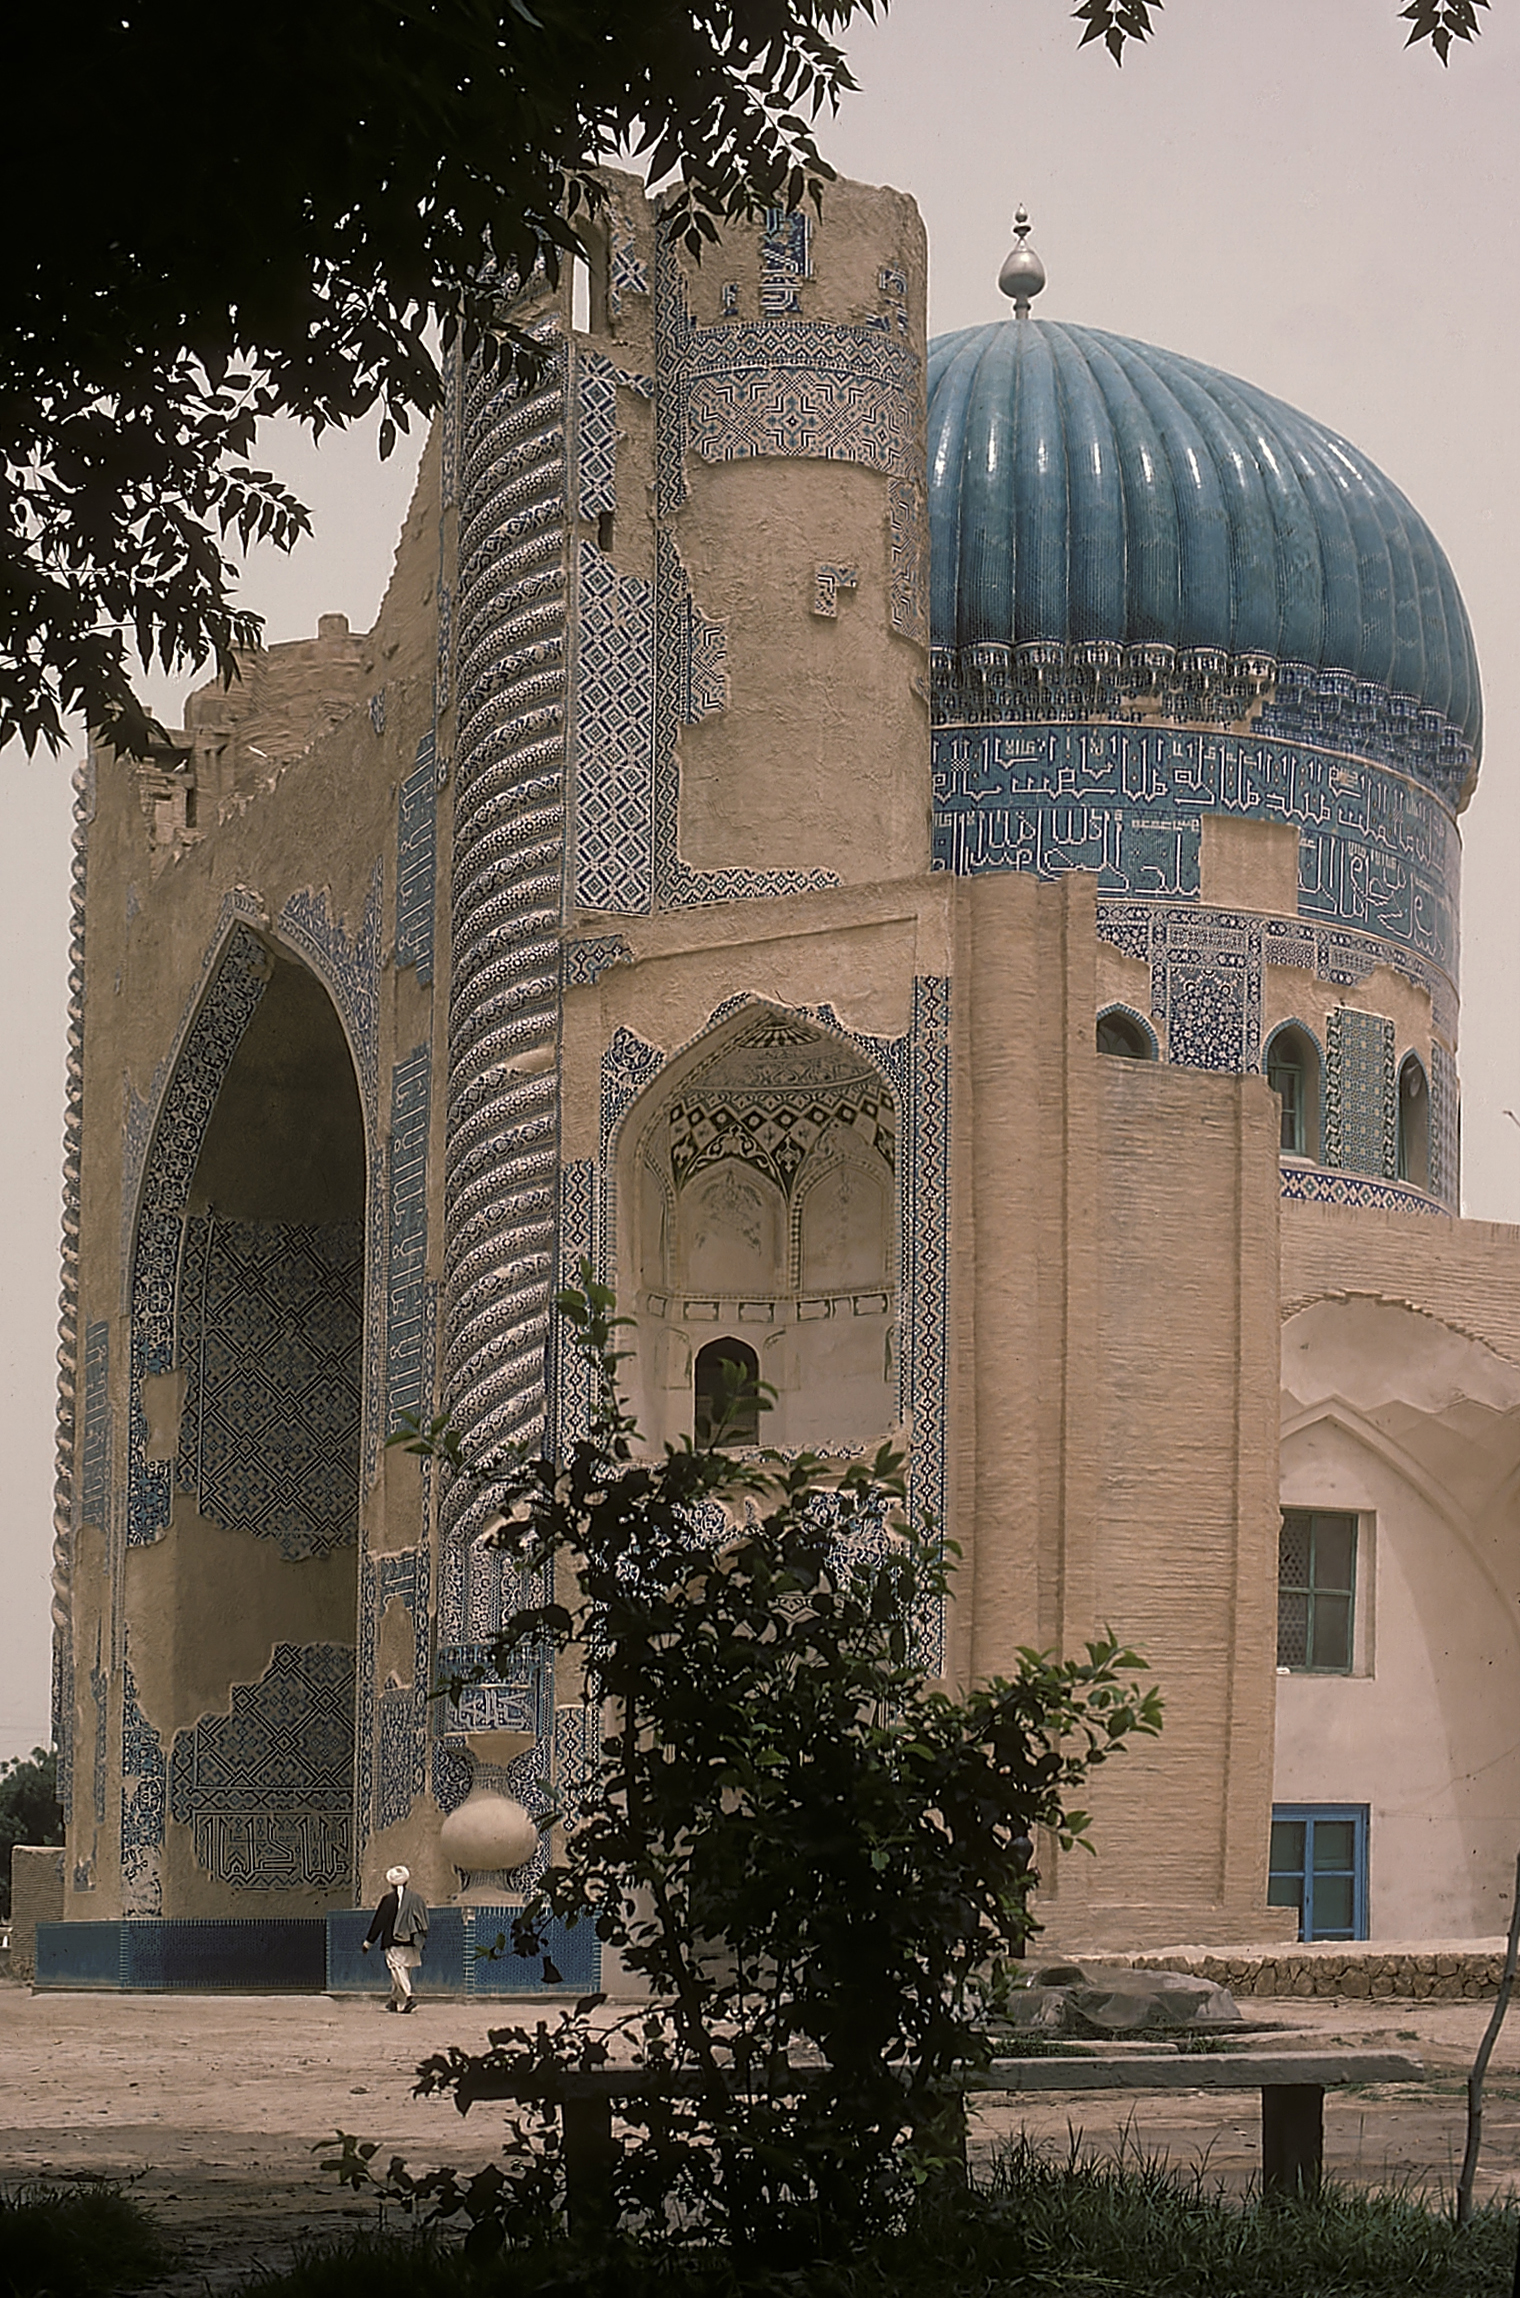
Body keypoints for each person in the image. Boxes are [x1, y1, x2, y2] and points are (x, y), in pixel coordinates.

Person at [360, 1864, 429, 2011]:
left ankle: (409, 1996)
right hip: (411, 1940)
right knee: (403, 1971)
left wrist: (368, 1942)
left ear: (391, 1883)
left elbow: (379, 1921)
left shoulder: (388, 1900)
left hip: (393, 1941)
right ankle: (394, 2000)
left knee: (398, 1969)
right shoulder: (415, 1899)